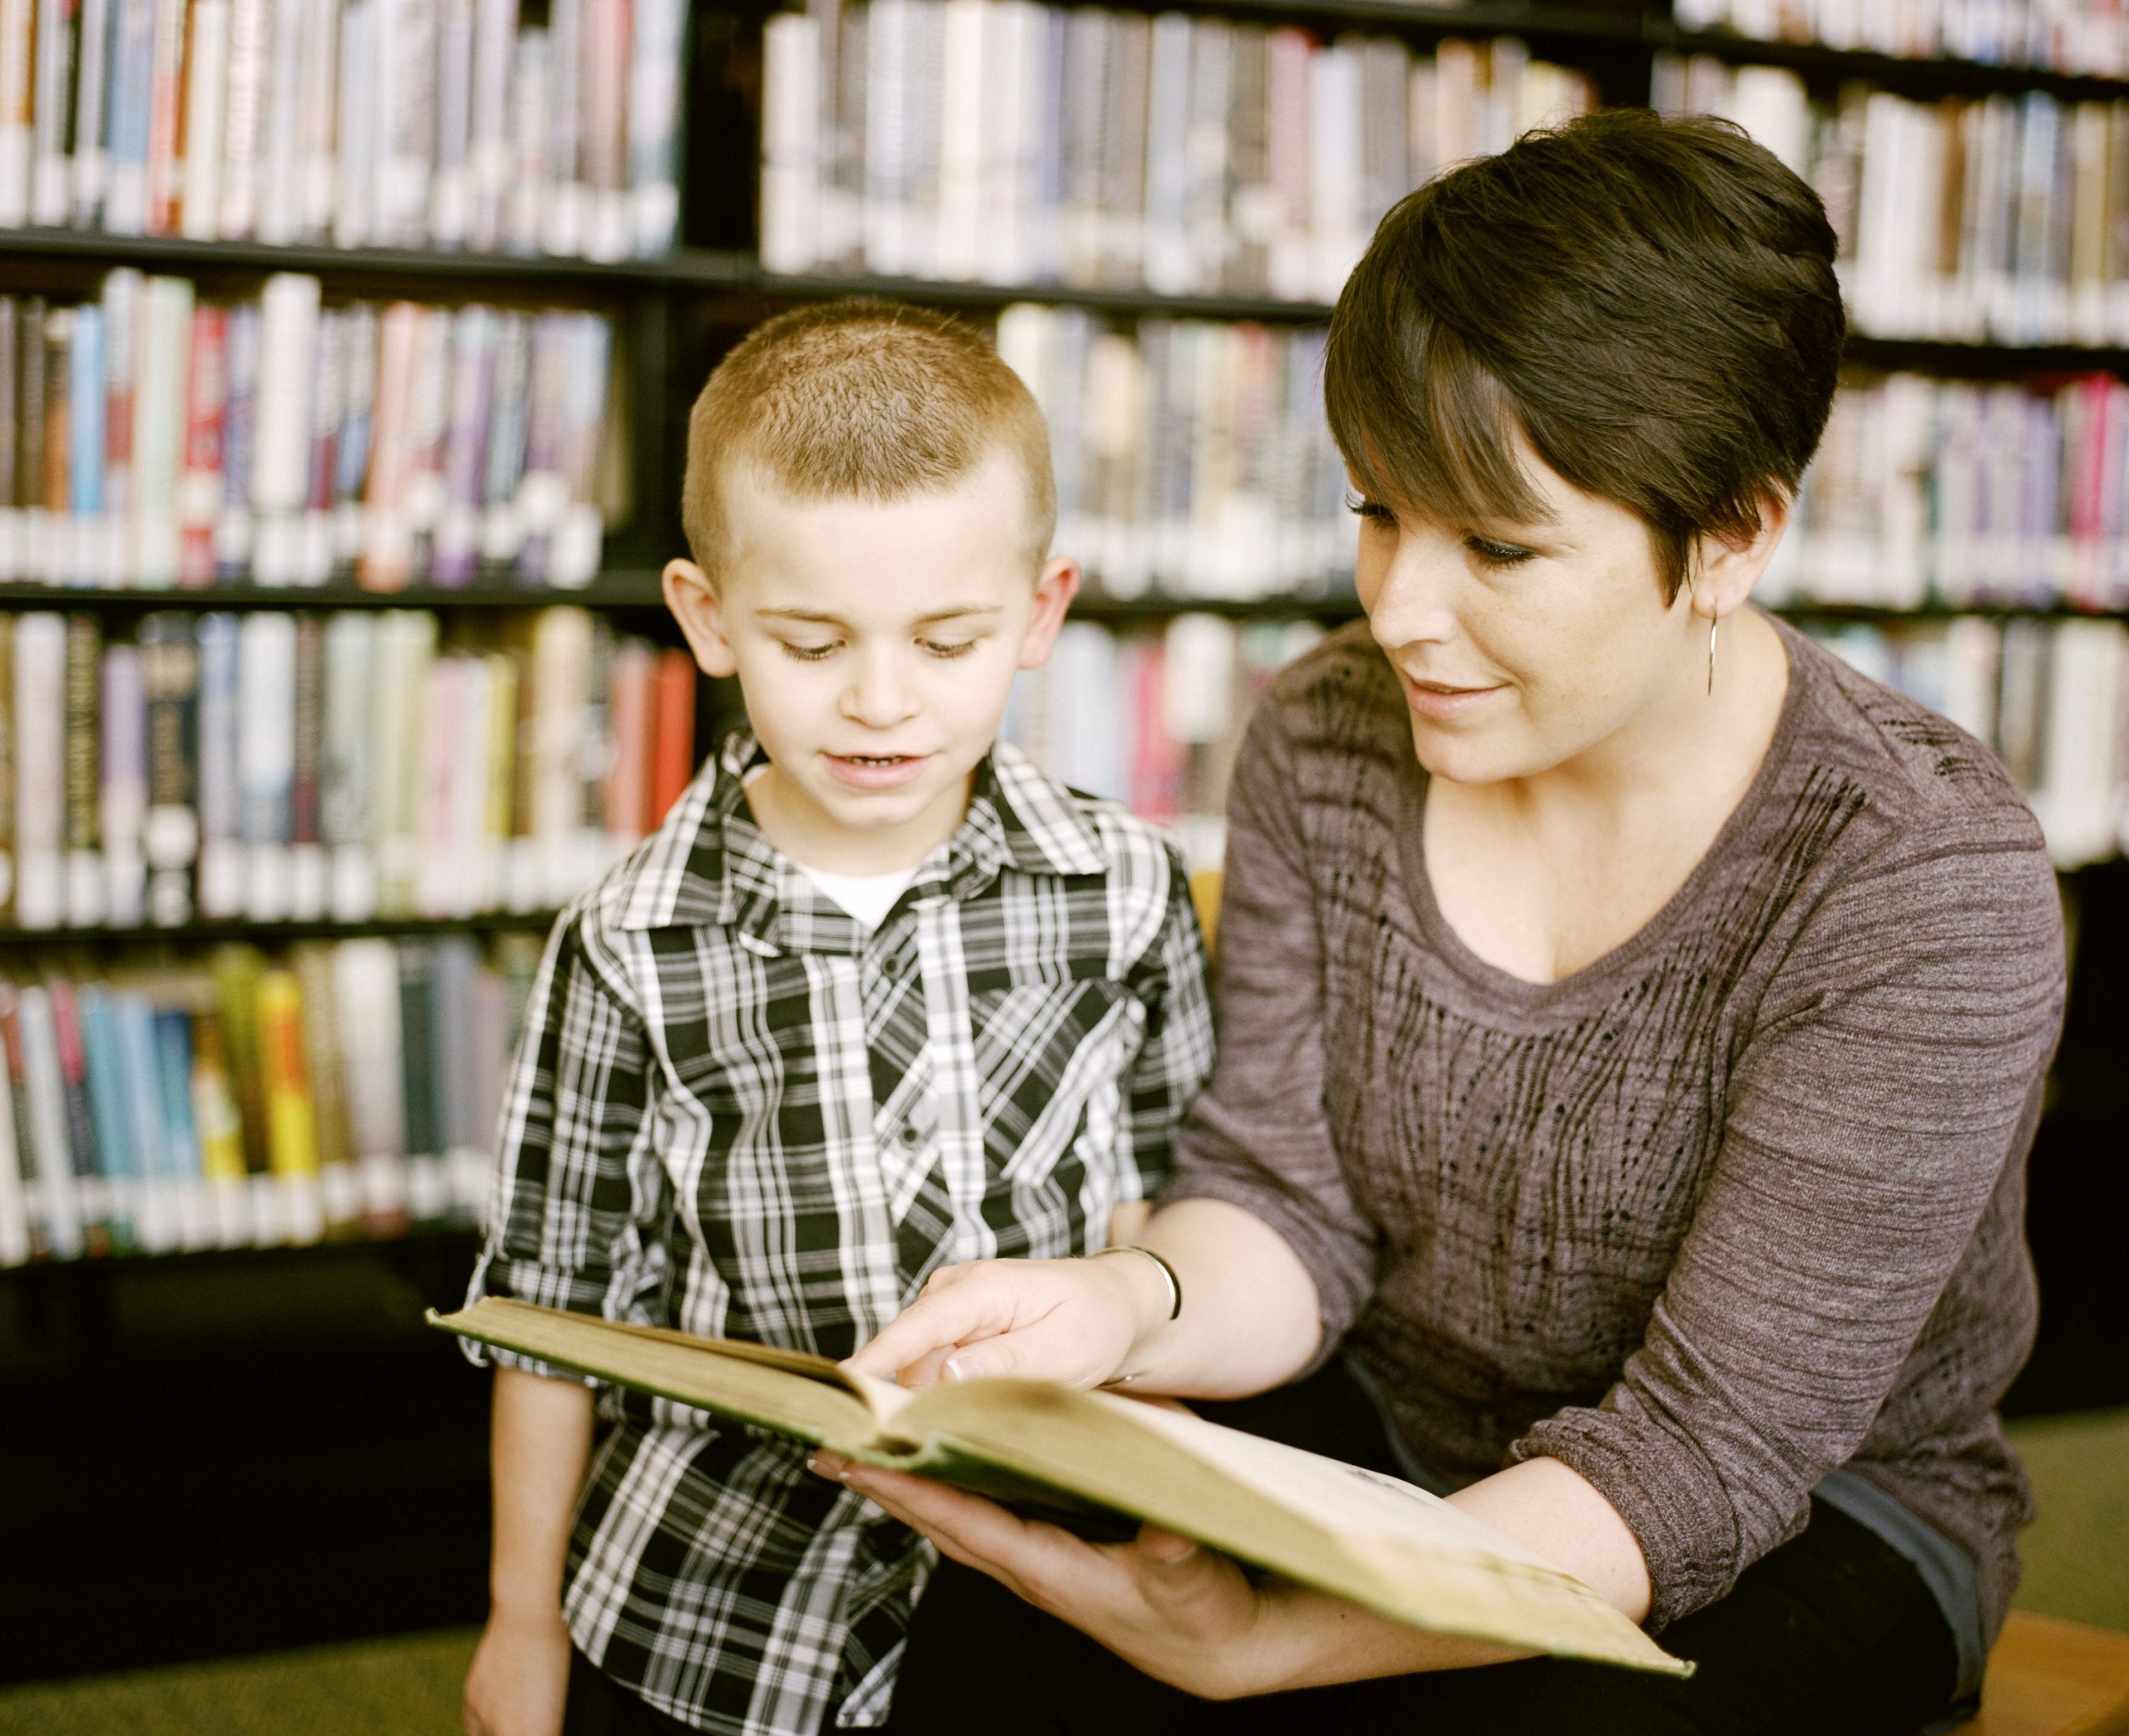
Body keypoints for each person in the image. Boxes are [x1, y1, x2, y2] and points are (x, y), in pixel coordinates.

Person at [825, 112, 2068, 1736]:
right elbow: (1286, 1206)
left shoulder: (1912, 877)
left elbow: (1704, 1456)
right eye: (1377, 513)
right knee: (996, 1643)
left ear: (1732, 539)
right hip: (1397, 1427)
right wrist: (1118, 1307)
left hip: (1814, 1519)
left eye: (1495, 545)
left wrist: (1271, 1637)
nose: (1400, 609)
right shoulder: (1325, 735)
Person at [457, 301, 1215, 1736]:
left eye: (947, 640)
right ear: (709, 620)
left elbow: (1169, 1207)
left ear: (1042, 613)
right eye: (813, 642)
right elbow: (544, 1316)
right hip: (716, 1608)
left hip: (1045, 1582)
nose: (881, 703)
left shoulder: (1120, 886)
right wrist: (518, 1622)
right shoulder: (628, 942)